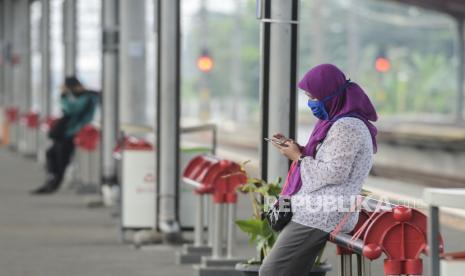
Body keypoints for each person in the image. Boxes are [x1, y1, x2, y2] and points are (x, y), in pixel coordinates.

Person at [259, 64, 378, 276]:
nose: (311, 103)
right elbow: (329, 159)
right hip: (318, 208)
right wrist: (297, 149)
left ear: (330, 94)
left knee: (272, 272)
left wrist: (298, 157)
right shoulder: (338, 121)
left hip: (324, 211)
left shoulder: (346, 126)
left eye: (313, 97)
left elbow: (335, 172)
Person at [31, 76, 99, 195]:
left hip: (73, 133)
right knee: (51, 154)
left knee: (62, 159)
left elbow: (72, 109)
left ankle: (54, 183)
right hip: (67, 133)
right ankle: (51, 180)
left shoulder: (87, 97)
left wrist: (64, 96)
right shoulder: (79, 96)